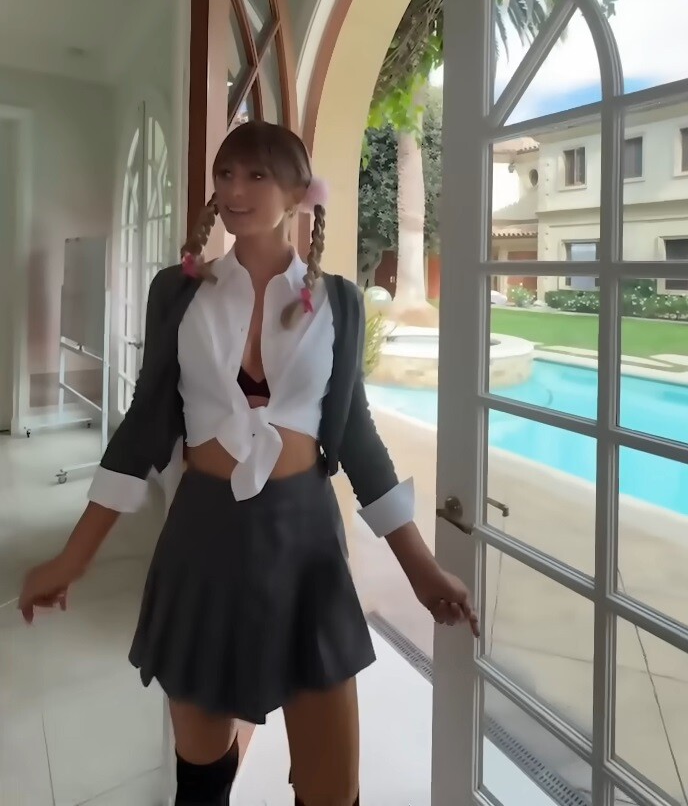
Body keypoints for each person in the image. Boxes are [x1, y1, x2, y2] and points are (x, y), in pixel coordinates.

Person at [19, 120, 479, 806]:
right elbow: (142, 430)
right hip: (201, 538)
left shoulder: (340, 302)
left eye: (256, 175)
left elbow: (357, 438)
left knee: (332, 789)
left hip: (307, 546)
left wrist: (421, 567)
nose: (234, 189)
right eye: (225, 174)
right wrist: (73, 558)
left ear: (298, 193)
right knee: (203, 778)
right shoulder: (178, 292)